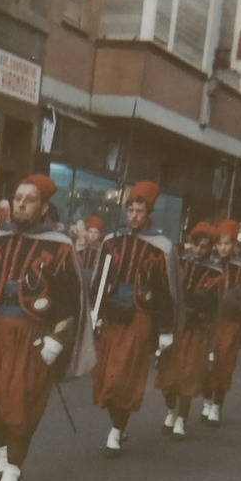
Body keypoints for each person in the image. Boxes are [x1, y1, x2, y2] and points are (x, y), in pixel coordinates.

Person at [0, 174, 91, 481]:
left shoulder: (60, 245)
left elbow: (71, 299)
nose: (20, 203)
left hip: (33, 334)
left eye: (29, 199)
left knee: (20, 404)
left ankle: (13, 469)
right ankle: (3, 452)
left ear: (44, 206)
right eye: (17, 197)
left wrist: (58, 339)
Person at [89, 180, 182, 458]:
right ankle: (118, 423)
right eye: (130, 210)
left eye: (140, 211)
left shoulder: (162, 247)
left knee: (124, 379)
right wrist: (94, 313)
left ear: (149, 213)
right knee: (105, 378)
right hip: (111, 316)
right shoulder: (111, 241)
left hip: (139, 317)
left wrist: (166, 329)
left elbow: (168, 291)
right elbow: (98, 281)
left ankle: (117, 431)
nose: (134, 216)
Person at [157, 222, 224, 438]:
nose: (198, 251)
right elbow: (169, 292)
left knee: (186, 375)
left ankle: (182, 419)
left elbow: (211, 303)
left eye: (204, 247)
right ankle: (170, 411)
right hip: (175, 326)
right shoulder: (180, 264)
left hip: (195, 329)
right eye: (195, 245)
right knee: (166, 376)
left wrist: (193, 303)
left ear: (210, 248)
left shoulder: (216, 273)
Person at [202, 219, 241, 426]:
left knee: (224, 365)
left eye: (228, 244)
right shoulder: (208, 266)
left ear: (234, 245)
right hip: (209, 323)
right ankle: (207, 399)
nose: (223, 247)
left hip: (231, 324)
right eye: (220, 244)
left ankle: (217, 405)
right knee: (204, 365)